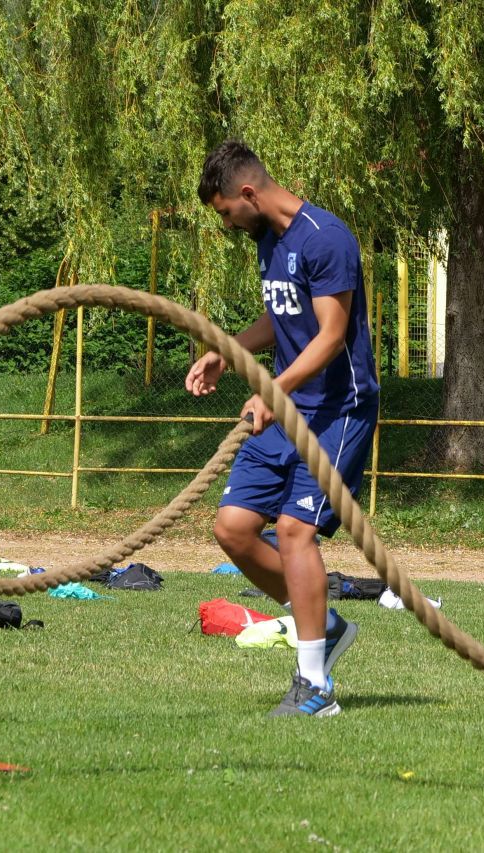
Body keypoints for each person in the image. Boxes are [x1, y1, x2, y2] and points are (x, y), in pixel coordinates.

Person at [187, 140, 379, 717]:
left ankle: (315, 685)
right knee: (233, 529)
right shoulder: (269, 240)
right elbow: (283, 315)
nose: (225, 223)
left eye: (224, 211)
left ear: (248, 193)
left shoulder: (327, 238)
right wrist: (229, 350)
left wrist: (274, 390)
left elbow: (329, 335)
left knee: (295, 532)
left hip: (337, 409)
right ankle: (323, 624)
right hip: (286, 407)